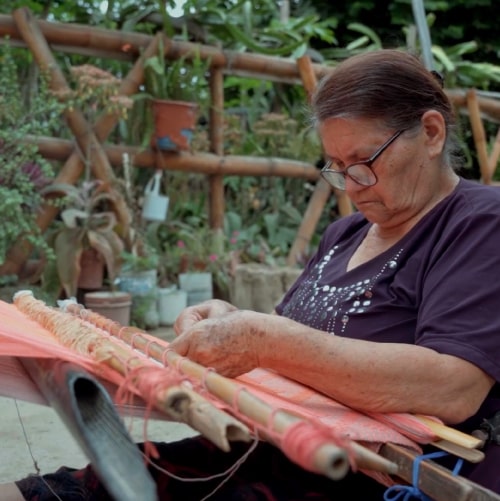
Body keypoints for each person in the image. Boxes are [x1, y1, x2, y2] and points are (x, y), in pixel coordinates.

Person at [3, 48, 500, 500]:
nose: (351, 185)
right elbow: (298, 350)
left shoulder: (479, 224)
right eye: (335, 167)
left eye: (363, 162)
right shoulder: (346, 234)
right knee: (75, 489)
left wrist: (264, 338)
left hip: (381, 481)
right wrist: (231, 320)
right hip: (286, 454)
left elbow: (454, 386)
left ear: (431, 133)